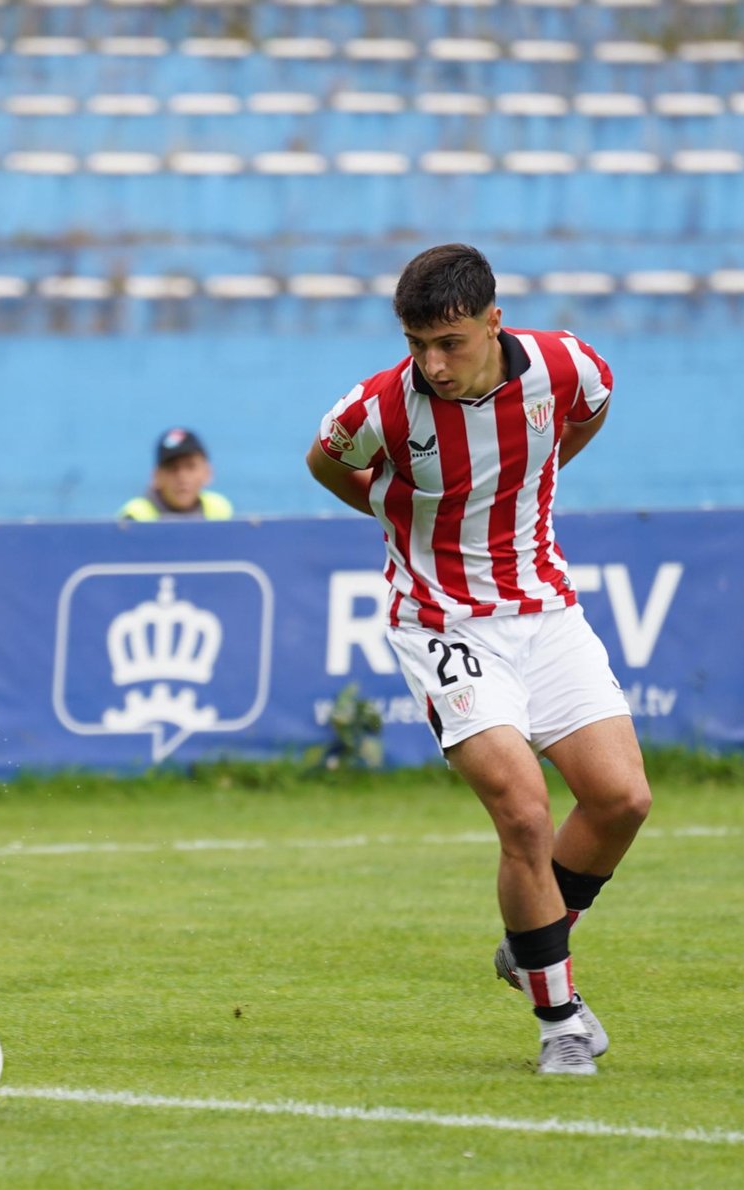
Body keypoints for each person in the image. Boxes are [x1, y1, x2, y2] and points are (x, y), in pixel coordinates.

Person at [302, 242, 651, 1077]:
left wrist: (538, 474)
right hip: (442, 620)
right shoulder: (381, 408)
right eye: (417, 343)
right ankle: (559, 1017)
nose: (432, 362)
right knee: (525, 813)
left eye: (449, 342)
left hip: (545, 608)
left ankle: (533, 944)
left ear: (494, 321)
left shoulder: (564, 366)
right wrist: (399, 509)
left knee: (622, 799)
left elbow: (592, 408)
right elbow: (325, 462)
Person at [119, 427, 234, 521]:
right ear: (156, 477)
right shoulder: (135, 518)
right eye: (172, 468)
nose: (182, 477)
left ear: (208, 473)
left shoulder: (220, 511)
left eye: (190, 467)